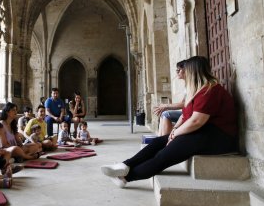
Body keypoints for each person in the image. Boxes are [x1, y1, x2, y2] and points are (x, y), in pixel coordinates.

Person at [101, 56, 238, 188]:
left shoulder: (210, 90)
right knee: (157, 142)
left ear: (193, 72)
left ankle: (125, 177)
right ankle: (125, 165)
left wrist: (176, 133)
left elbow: (196, 121)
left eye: (186, 70)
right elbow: (185, 116)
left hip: (219, 138)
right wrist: (174, 131)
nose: (182, 73)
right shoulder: (199, 91)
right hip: (204, 133)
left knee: (163, 156)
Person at [153, 60, 186, 136]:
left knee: (166, 114)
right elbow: (183, 102)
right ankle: (160, 138)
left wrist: (166, 106)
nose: (177, 72)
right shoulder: (187, 84)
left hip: (192, 114)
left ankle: (163, 140)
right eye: (176, 70)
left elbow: (185, 104)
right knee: (163, 114)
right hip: (186, 113)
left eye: (179, 70)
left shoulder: (193, 84)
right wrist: (166, 107)